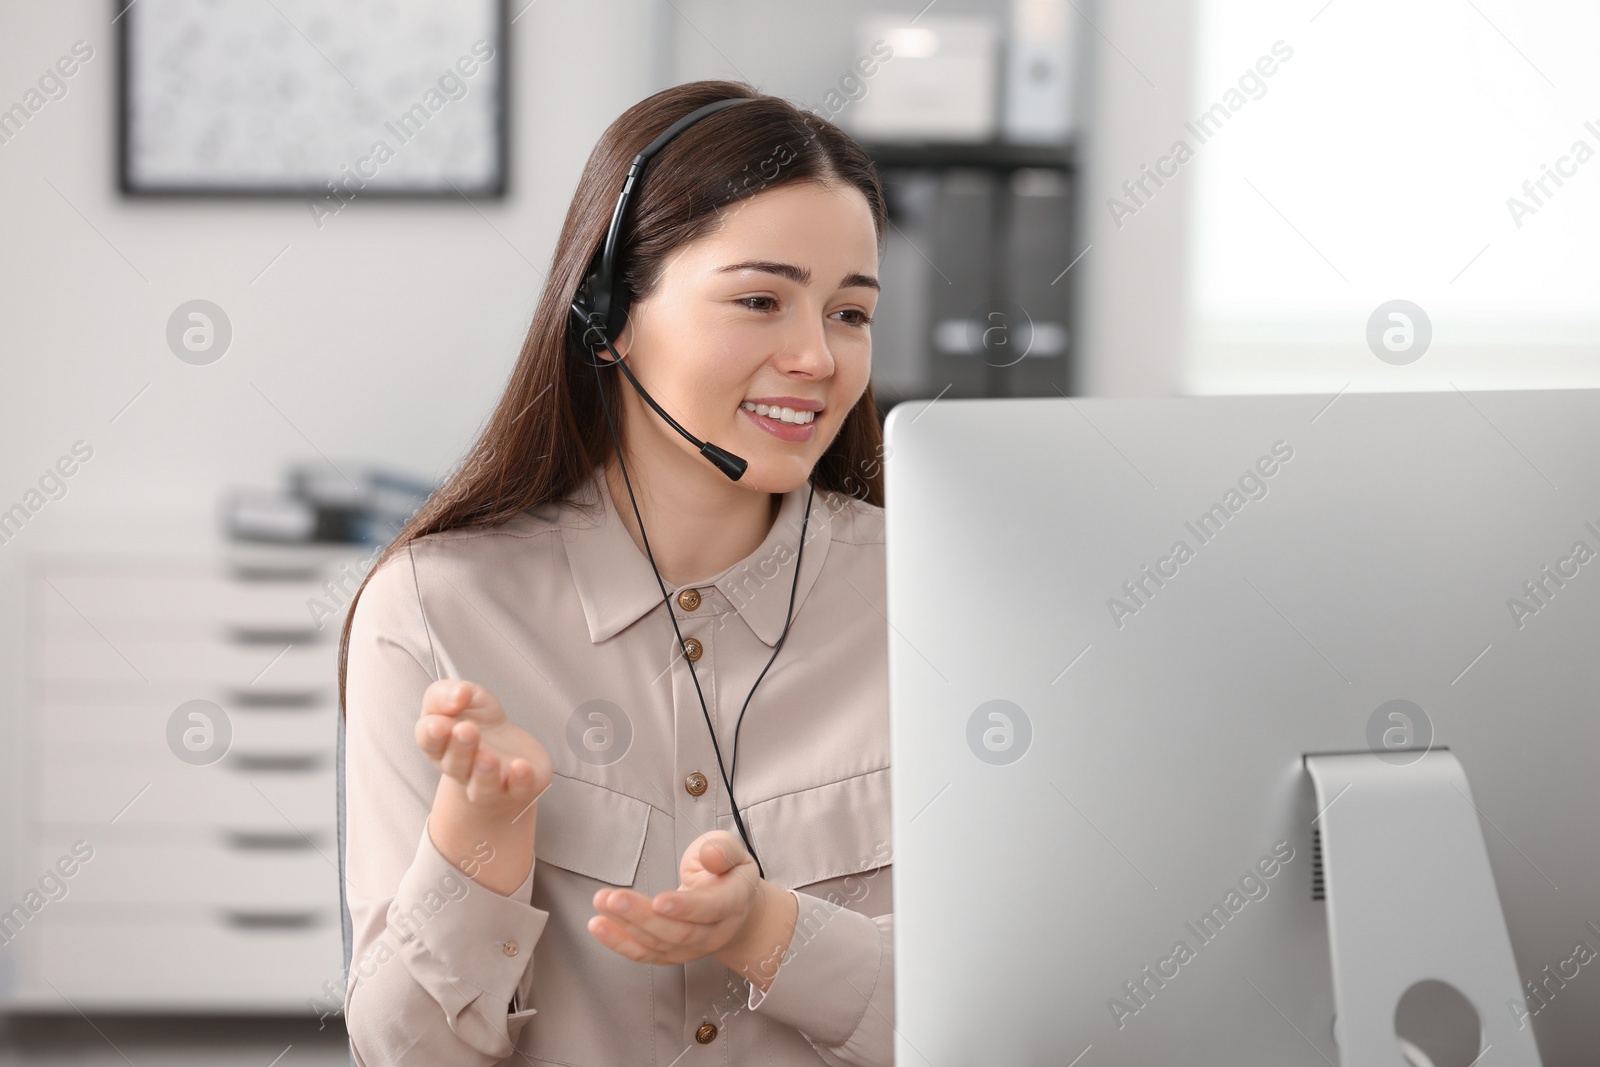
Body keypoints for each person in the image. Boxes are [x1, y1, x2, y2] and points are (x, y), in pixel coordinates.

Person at [337, 79, 894, 1066]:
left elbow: (1021, 1020)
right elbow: (405, 1052)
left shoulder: (930, 598)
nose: (816, 356)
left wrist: (767, 930)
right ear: (609, 315)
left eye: (849, 313)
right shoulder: (435, 608)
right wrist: (484, 826)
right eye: (760, 299)